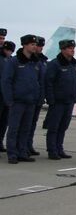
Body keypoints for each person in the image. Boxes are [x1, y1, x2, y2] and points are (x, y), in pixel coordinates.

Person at [1, 35, 42, 163]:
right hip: (17, 101)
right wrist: (9, 100)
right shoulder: (15, 61)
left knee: (26, 128)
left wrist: (37, 96)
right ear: (24, 45)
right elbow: (6, 81)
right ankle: (12, 154)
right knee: (14, 128)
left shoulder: (36, 62)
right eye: (31, 44)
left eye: (35, 45)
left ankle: (22, 152)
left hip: (30, 101)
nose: (34, 47)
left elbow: (38, 81)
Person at [45, 39, 76, 160]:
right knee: (54, 127)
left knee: (63, 126)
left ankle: (59, 148)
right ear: (63, 49)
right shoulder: (55, 64)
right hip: (57, 101)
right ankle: (52, 150)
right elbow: (48, 82)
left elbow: (75, 81)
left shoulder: (74, 64)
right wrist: (50, 99)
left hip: (69, 101)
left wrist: (75, 96)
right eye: (70, 48)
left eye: (73, 48)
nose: (72, 50)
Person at [26, 36, 47, 156]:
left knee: (33, 123)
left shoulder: (43, 61)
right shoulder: (29, 60)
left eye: (40, 46)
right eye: (38, 45)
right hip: (29, 97)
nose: (39, 48)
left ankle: (29, 144)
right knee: (25, 124)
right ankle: (22, 146)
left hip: (38, 97)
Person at [0, 41, 16, 152]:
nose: (8, 52)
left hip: (6, 96)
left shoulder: (11, 60)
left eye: (10, 50)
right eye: (7, 50)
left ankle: (0, 142)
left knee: (4, 121)